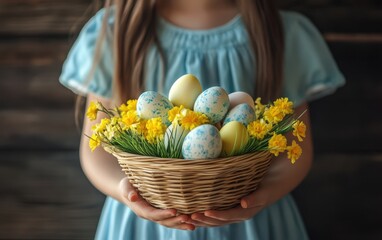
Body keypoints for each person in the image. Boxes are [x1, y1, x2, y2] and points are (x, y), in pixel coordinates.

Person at [59, 0, 345, 239]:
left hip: (252, 224)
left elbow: (296, 149)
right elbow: (97, 152)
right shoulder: (114, 31)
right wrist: (126, 193)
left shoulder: (283, 33)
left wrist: (262, 197)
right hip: (142, 223)